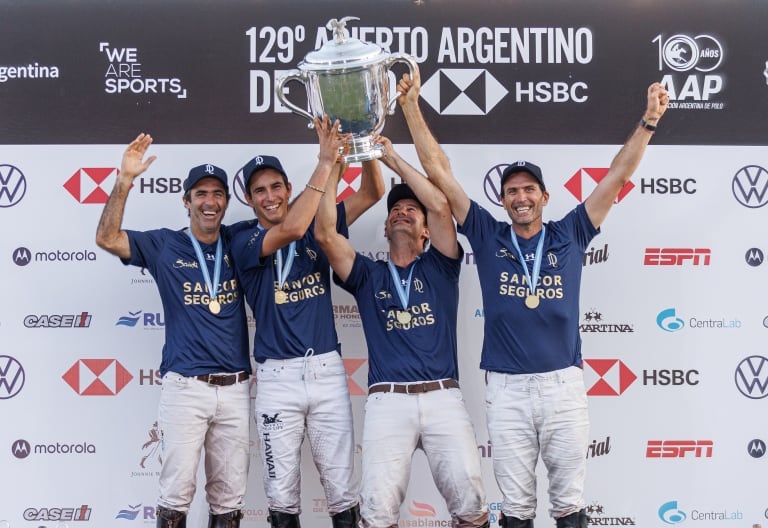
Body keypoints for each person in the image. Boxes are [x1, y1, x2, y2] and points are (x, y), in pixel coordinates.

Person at [394, 70, 669, 528]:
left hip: (563, 386)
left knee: (569, 506)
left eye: (528, 190)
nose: (520, 198)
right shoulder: (486, 233)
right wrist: (410, 107)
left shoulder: (572, 232)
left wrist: (649, 120)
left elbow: (618, 175)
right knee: (517, 508)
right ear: (502, 200)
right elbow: (439, 171)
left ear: (544, 196)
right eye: (511, 192)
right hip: (508, 390)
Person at [314, 137, 490, 528]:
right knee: (376, 513)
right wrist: (329, 166)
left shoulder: (441, 265)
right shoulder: (367, 275)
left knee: (472, 506)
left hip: (443, 397)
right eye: (395, 210)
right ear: (385, 225)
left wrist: (390, 156)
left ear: (427, 232)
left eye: (412, 210)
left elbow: (442, 206)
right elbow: (326, 235)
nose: (402, 213)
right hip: (387, 402)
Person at [230, 116, 384, 528]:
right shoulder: (241, 239)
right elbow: (293, 226)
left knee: (343, 493)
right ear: (249, 199)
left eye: (275, 186)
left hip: (326, 371)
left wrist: (364, 141)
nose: (269, 196)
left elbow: (373, 191)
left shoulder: (321, 223)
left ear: (287, 188)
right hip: (277, 377)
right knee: (281, 498)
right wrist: (325, 160)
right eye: (259, 190)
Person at [95, 133, 252, 528]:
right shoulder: (164, 245)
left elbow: (285, 221)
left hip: (235, 388)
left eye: (218, 194)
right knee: (175, 496)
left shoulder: (239, 241)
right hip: (185, 387)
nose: (210, 202)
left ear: (226, 203)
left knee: (229, 500)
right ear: (186, 201)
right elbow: (107, 238)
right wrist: (124, 180)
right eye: (200, 194)